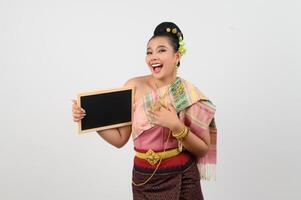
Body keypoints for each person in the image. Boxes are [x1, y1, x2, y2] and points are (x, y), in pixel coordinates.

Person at [72, 22, 217, 200]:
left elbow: (202, 149)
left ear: (177, 56)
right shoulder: (134, 86)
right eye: (149, 52)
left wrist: (175, 125)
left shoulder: (187, 93)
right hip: (144, 177)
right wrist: (90, 118)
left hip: (183, 176)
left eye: (161, 50)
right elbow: (119, 140)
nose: (153, 57)